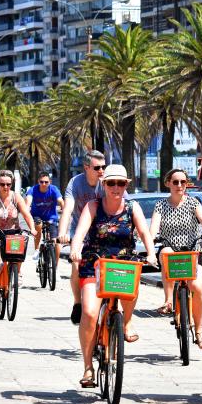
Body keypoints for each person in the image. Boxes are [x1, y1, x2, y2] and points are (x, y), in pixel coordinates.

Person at [70, 164, 157, 387]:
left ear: (126, 185)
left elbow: (145, 233)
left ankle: (126, 322)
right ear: (104, 184)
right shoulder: (93, 206)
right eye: (111, 183)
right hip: (95, 264)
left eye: (120, 183)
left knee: (133, 285)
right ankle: (88, 367)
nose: (116, 187)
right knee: (89, 313)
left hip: (123, 264)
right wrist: (76, 249)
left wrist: (151, 254)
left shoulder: (132, 207)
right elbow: (80, 232)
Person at [149, 168, 202, 349]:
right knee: (166, 254)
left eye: (183, 182)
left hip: (192, 250)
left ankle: (198, 331)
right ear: (168, 183)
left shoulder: (193, 202)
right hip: (170, 247)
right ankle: (168, 300)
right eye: (175, 182)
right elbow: (153, 228)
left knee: (197, 288)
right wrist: (149, 243)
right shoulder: (161, 205)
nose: (180, 186)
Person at [58, 150, 110, 324]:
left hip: (103, 232)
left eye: (104, 166)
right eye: (97, 167)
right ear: (86, 167)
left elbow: (123, 203)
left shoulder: (108, 182)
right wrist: (63, 233)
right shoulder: (76, 183)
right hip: (79, 232)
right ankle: (78, 302)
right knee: (76, 265)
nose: (101, 170)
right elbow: (68, 209)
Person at [0, 170, 37, 306]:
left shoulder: (16, 197)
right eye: (2, 184)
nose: (5, 187)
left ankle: (17, 272)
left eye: (8, 184)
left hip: (12, 233)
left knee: (18, 254)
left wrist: (33, 228)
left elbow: (27, 215)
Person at [25, 171, 64, 265]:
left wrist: (64, 210)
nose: (44, 184)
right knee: (38, 224)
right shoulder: (33, 190)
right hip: (36, 216)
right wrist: (26, 210)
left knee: (57, 243)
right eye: (41, 182)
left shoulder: (54, 189)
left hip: (51, 218)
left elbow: (60, 201)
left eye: (46, 182)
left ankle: (55, 269)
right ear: (38, 181)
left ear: (49, 182)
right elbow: (28, 202)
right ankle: (37, 250)